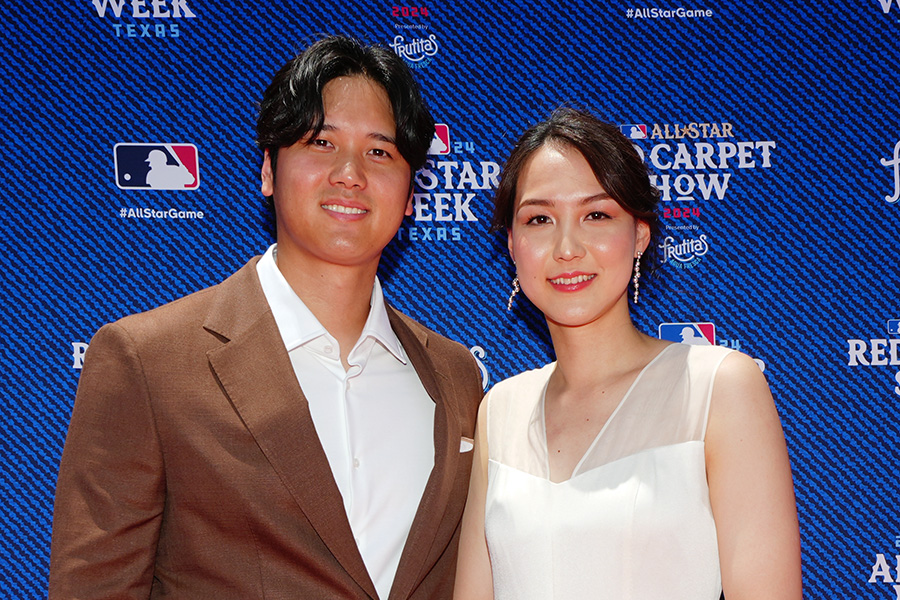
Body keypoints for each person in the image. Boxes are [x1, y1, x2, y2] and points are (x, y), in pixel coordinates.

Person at [49, 36, 483, 600]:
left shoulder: (454, 377)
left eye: (380, 152)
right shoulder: (148, 362)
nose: (350, 173)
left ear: (409, 195)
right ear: (269, 173)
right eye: (320, 142)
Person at [453, 108, 802, 599]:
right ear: (512, 244)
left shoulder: (718, 387)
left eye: (596, 215)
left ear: (639, 234)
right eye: (539, 219)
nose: (567, 246)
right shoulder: (499, 411)